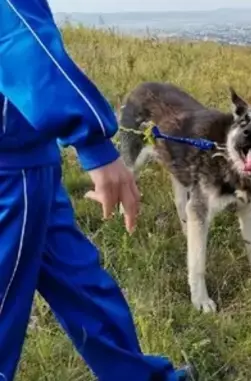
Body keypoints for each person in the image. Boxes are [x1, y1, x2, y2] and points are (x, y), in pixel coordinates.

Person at [0, 1, 200, 380]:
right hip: (12, 169)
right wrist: (94, 145)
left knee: (82, 284)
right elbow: (18, 38)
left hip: (27, 160)